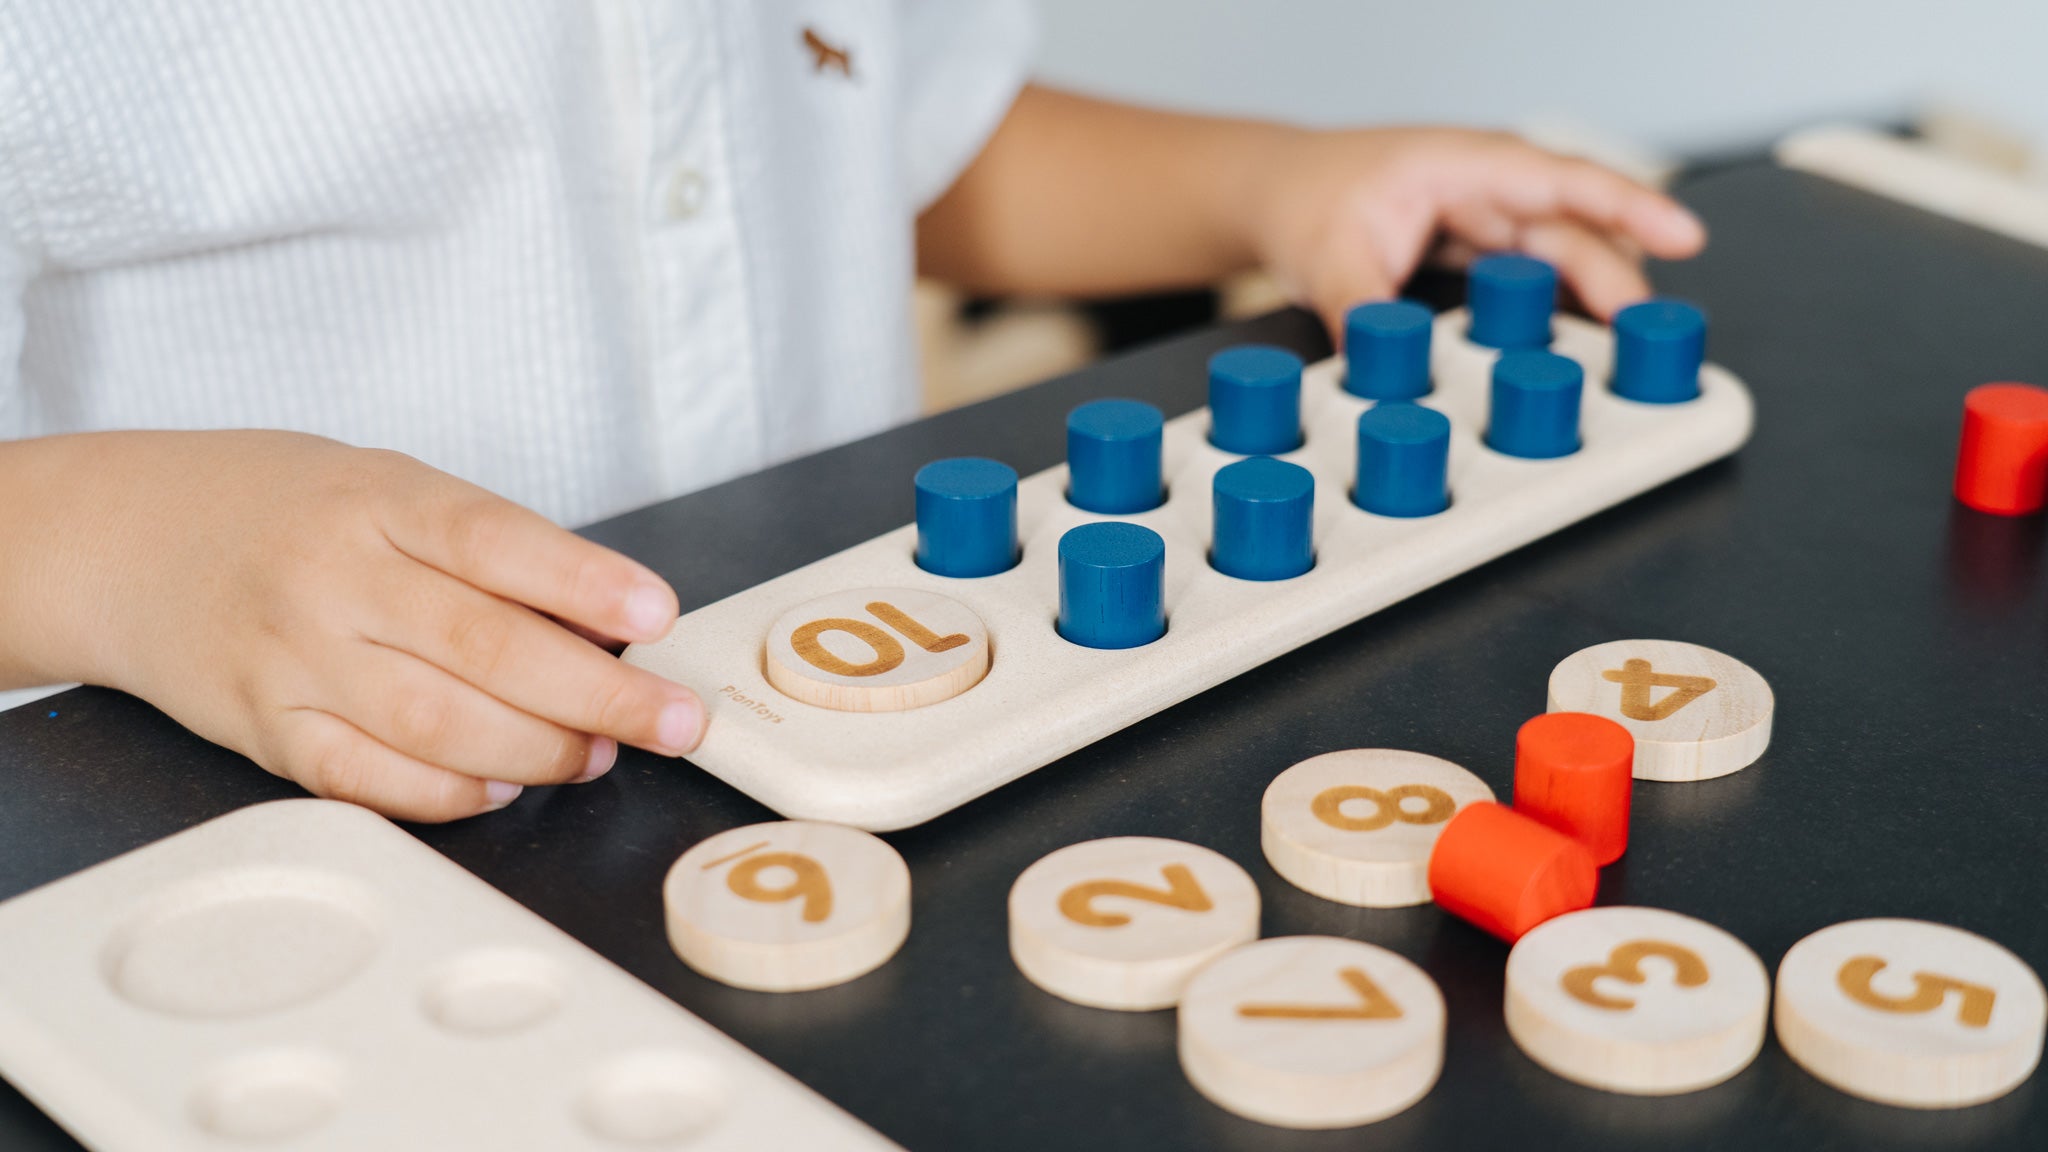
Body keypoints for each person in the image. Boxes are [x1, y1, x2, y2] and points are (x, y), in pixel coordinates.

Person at [0, 3, 1704, 822]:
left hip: (882, 725)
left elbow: (892, 140)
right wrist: (132, 557)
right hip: (275, 809)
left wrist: (1271, 184)